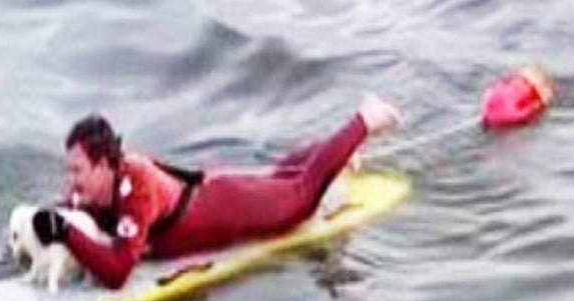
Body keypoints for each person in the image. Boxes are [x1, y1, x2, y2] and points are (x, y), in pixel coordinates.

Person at [31, 94, 401, 289]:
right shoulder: (93, 190)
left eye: (77, 169)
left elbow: (117, 274)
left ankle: (366, 118)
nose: (71, 179)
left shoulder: (135, 188)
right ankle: (336, 153)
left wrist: (66, 233)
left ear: (103, 165)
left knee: (300, 199)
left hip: (225, 208)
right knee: (281, 178)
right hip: (213, 190)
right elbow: (58, 219)